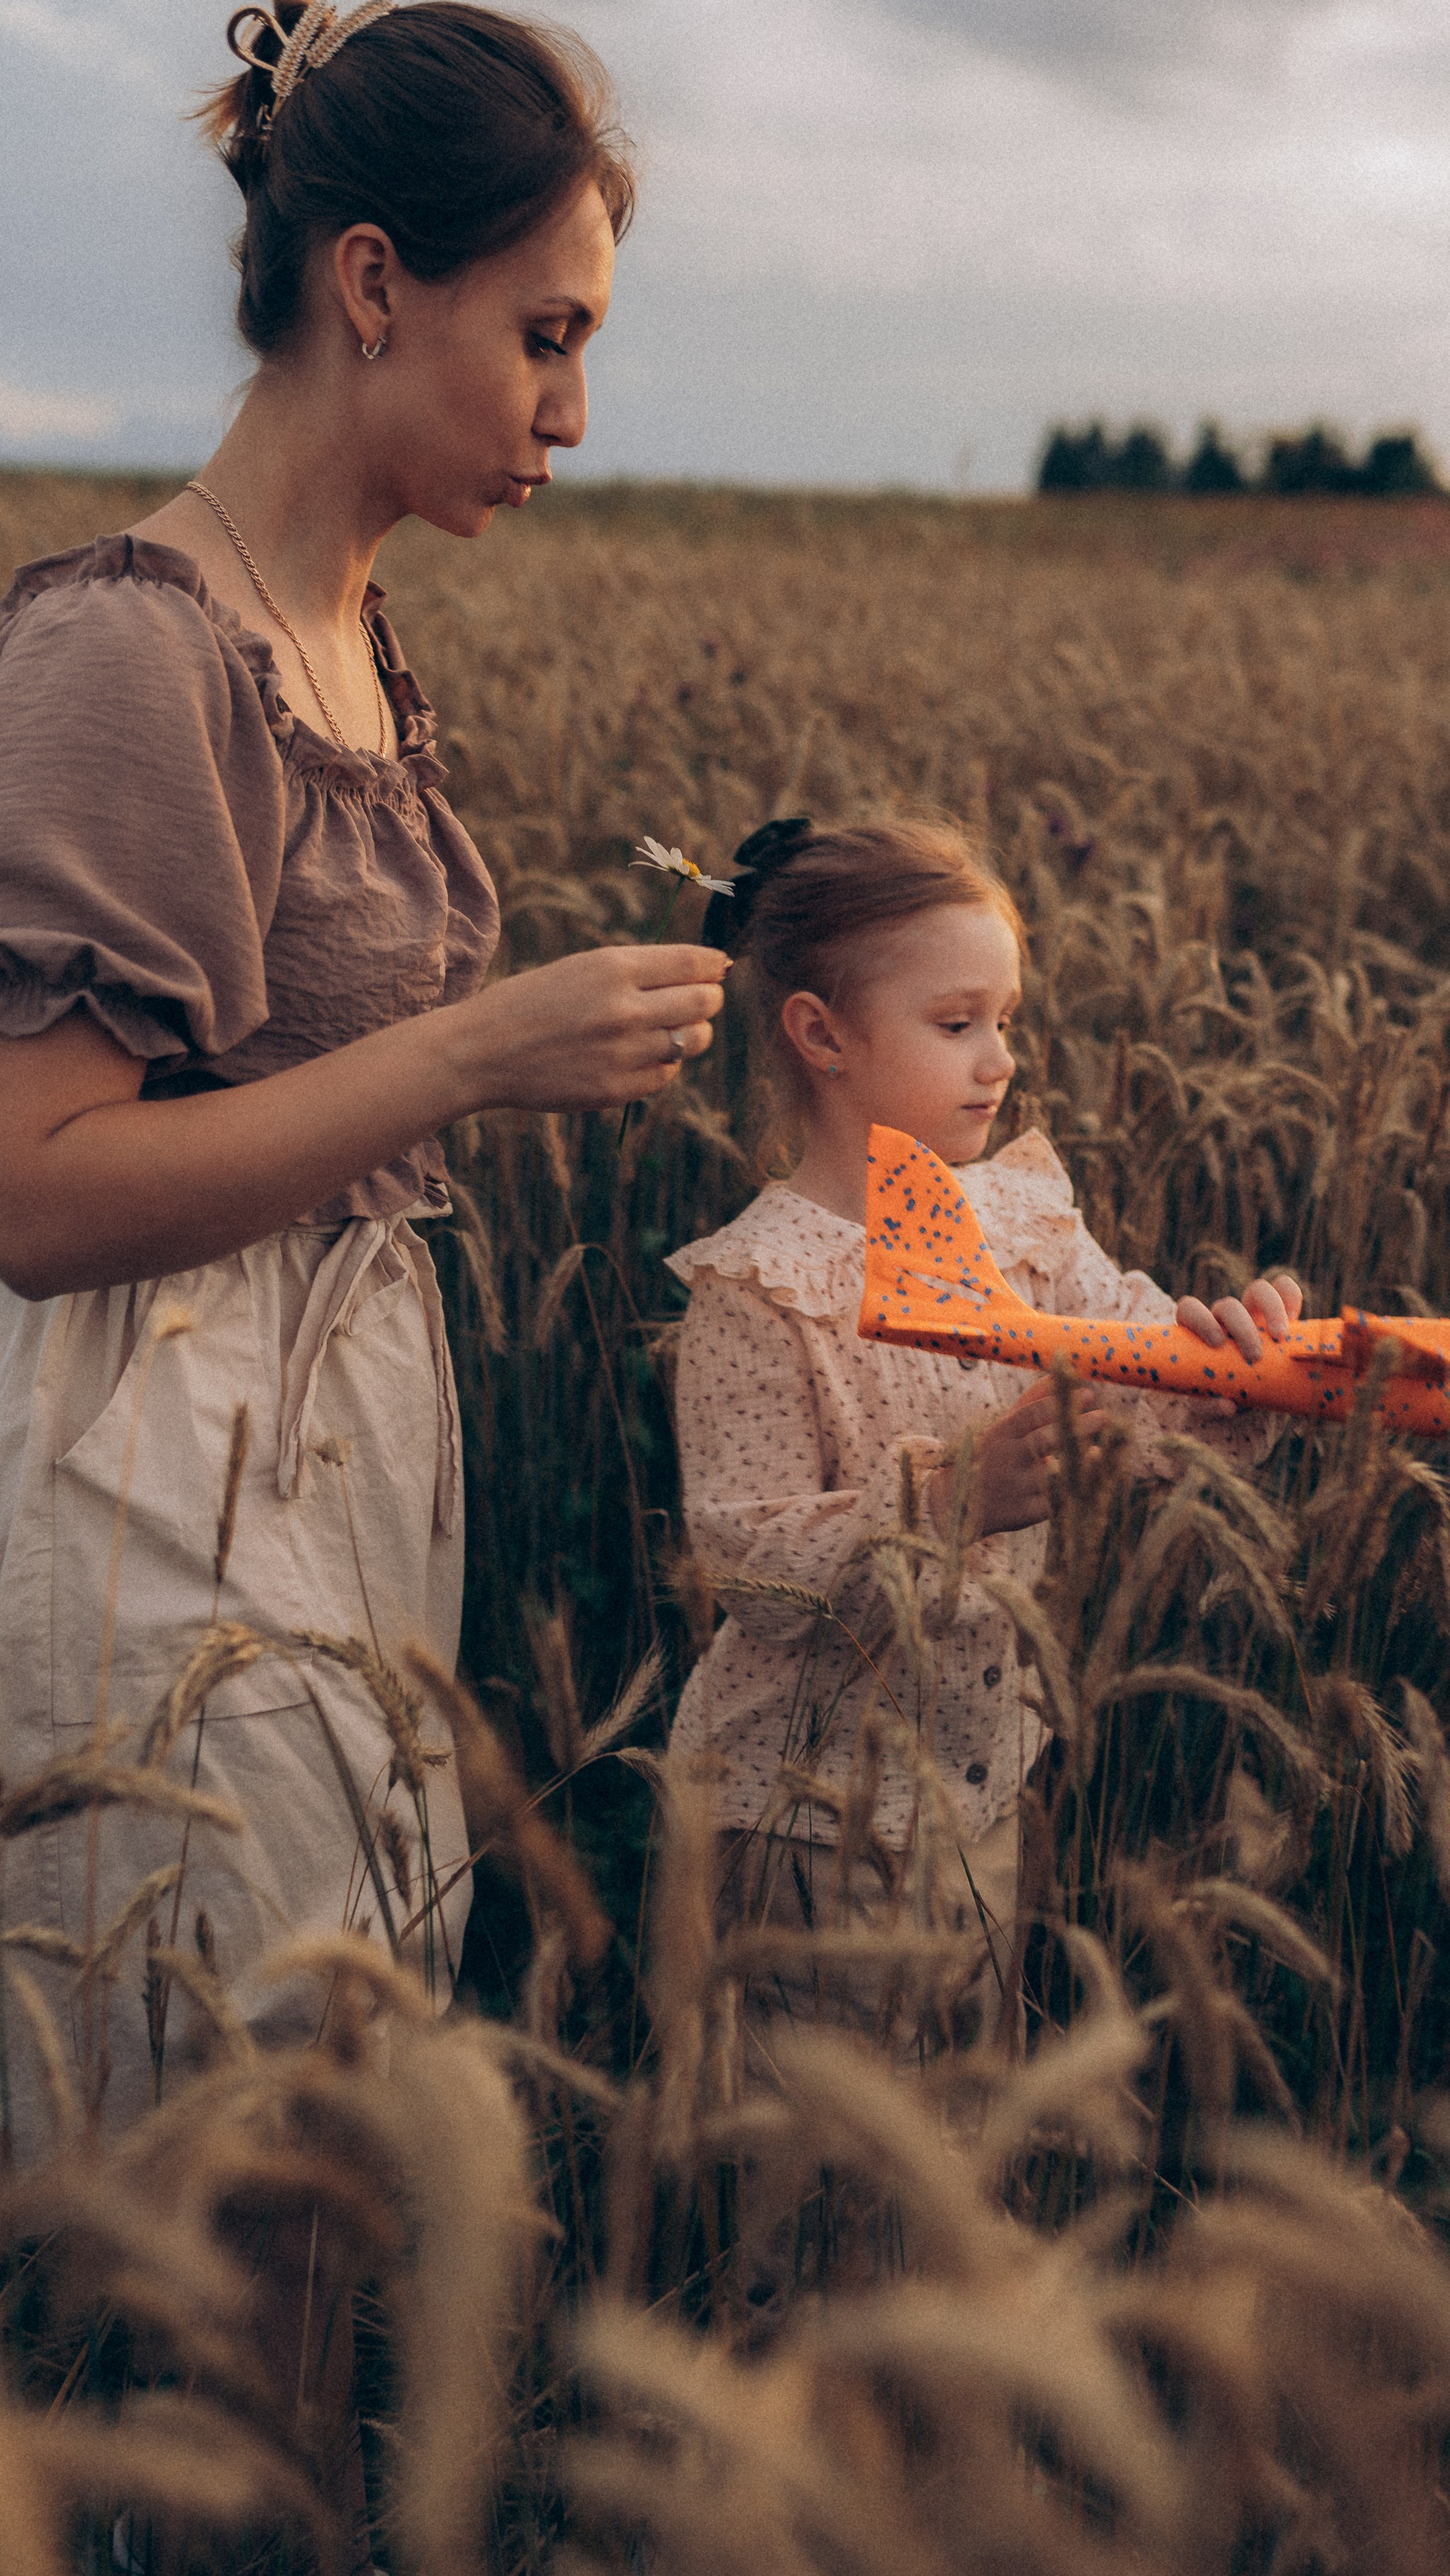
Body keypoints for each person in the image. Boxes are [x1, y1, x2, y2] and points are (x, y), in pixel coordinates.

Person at [0, 0, 730, 2159]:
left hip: (326, 1468)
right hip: (151, 1491)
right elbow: (32, 1194)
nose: (576, 412)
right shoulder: (135, 644)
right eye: (548, 335)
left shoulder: (342, 627)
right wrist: (479, 1052)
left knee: (320, 2141)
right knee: (207, 2153)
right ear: (376, 281)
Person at [666, 818, 1301, 2054]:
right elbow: (744, 1569)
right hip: (802, 1818)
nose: (999, 1060)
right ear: (820, 1033)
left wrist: (1237, 1376)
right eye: (957, 1025)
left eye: (1007, 1021)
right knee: (826, 2196)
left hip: (981, 1787)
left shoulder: (1021, 1225)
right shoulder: (761, 1288)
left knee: (953, 2144)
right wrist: (950, 1503)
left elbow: (1138, 1390)